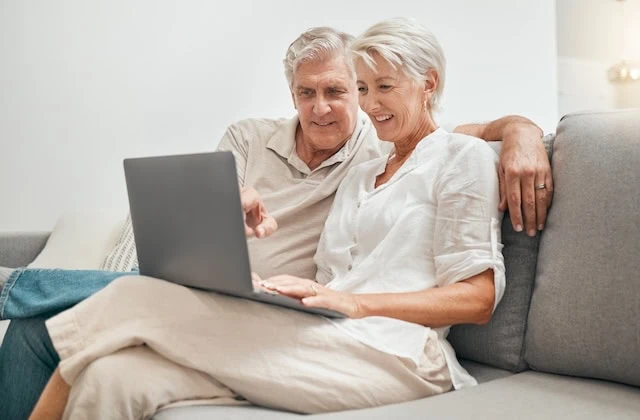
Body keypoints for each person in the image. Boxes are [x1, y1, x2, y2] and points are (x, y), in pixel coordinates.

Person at [0, 22, 551, 419]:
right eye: (363, 87)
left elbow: (477, 298)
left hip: (402, 354)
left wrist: (522, 129)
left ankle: (12, 289)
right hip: (324, 333)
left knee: (135, 299)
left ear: (428, 83)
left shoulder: (461, 157)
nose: (368, 102)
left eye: (381, 87)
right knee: (111, 377)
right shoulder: (365, 169)